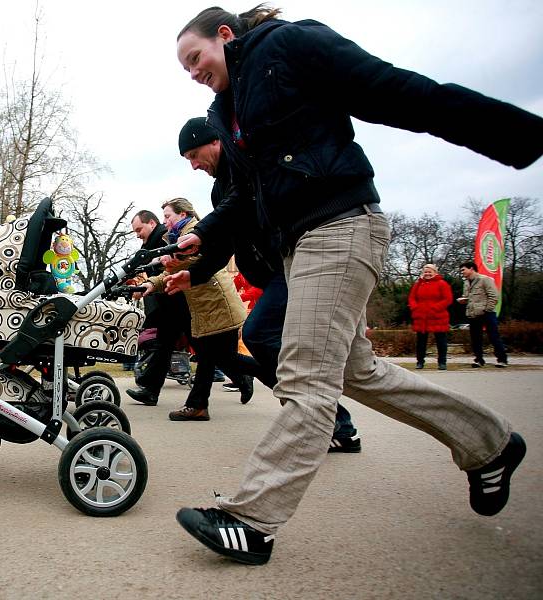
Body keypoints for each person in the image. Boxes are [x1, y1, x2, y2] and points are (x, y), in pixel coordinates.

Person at [172, 5, 536, 565]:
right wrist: (204, 242)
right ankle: (489, 444)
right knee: (355, 371)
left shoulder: (287, 46)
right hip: (303, 244)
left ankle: (253, 519)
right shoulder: (230, 109)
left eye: (195, 58)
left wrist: (515, 132)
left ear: (225, 35)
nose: (193, 71)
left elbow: (391, 89)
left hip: (340, 226)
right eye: (185, 68)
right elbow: (244, 197)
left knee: (305, 378)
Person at [172, 116, 362, 451]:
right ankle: (329, 421)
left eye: (193, 155)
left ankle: (327, 418)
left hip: (292, 264)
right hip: (275, 271)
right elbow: (226, 243)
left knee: (261, 335)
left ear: (214, 141)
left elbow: (239, 204)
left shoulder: (243, 167)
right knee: (281, 345)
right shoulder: (220, 186)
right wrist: (194, 274)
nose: (193, 165)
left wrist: (202, 232)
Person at [139, 197, 263, 420]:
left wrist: (171, 263)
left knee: (223, 358)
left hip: (216, 304)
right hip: (205, 305)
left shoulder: (195, 232)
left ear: (183, 215)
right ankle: (199, 404)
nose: (164, 222)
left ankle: (279, 379)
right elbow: (173, 271)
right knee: (214, 356)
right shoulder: (175, 237)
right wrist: (150, 284)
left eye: (168, 216)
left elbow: (199, 261)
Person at [125, 209, 194, 406]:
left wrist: (145, 283)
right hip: (169, 301)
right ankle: (150, 389)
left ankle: (242, 375)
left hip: (177, 299)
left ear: (152, 224)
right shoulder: (152, 242)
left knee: (201, 345)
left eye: (139, 229)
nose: (138, 234)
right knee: (164, 344)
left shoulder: (163, 239)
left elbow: (167, 269)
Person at [458, 261, 509, 368]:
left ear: (471, 268)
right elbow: (468, 297)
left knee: (493, 337)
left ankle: (502, 359)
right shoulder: (466, 283)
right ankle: (479, 360)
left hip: (487, 313)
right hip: (473, 314)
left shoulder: (485, 280)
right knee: (476, 339)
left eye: (463, 270)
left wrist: (487, 310)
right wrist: (463, 300)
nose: (462, 272)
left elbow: (494, 295)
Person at [408, 264, 453, 370]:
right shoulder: (418, 284)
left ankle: (442, 362)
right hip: (421, 316)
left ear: (435, 272)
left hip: (437, 316)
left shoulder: (442, 284)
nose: (427, 274)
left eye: (430, 272)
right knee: (421, 341)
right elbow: (411, 298)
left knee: (441, 340)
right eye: (425, 272)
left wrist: (435, 308)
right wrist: (415, 308)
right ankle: (420, 362)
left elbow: (448, 299)